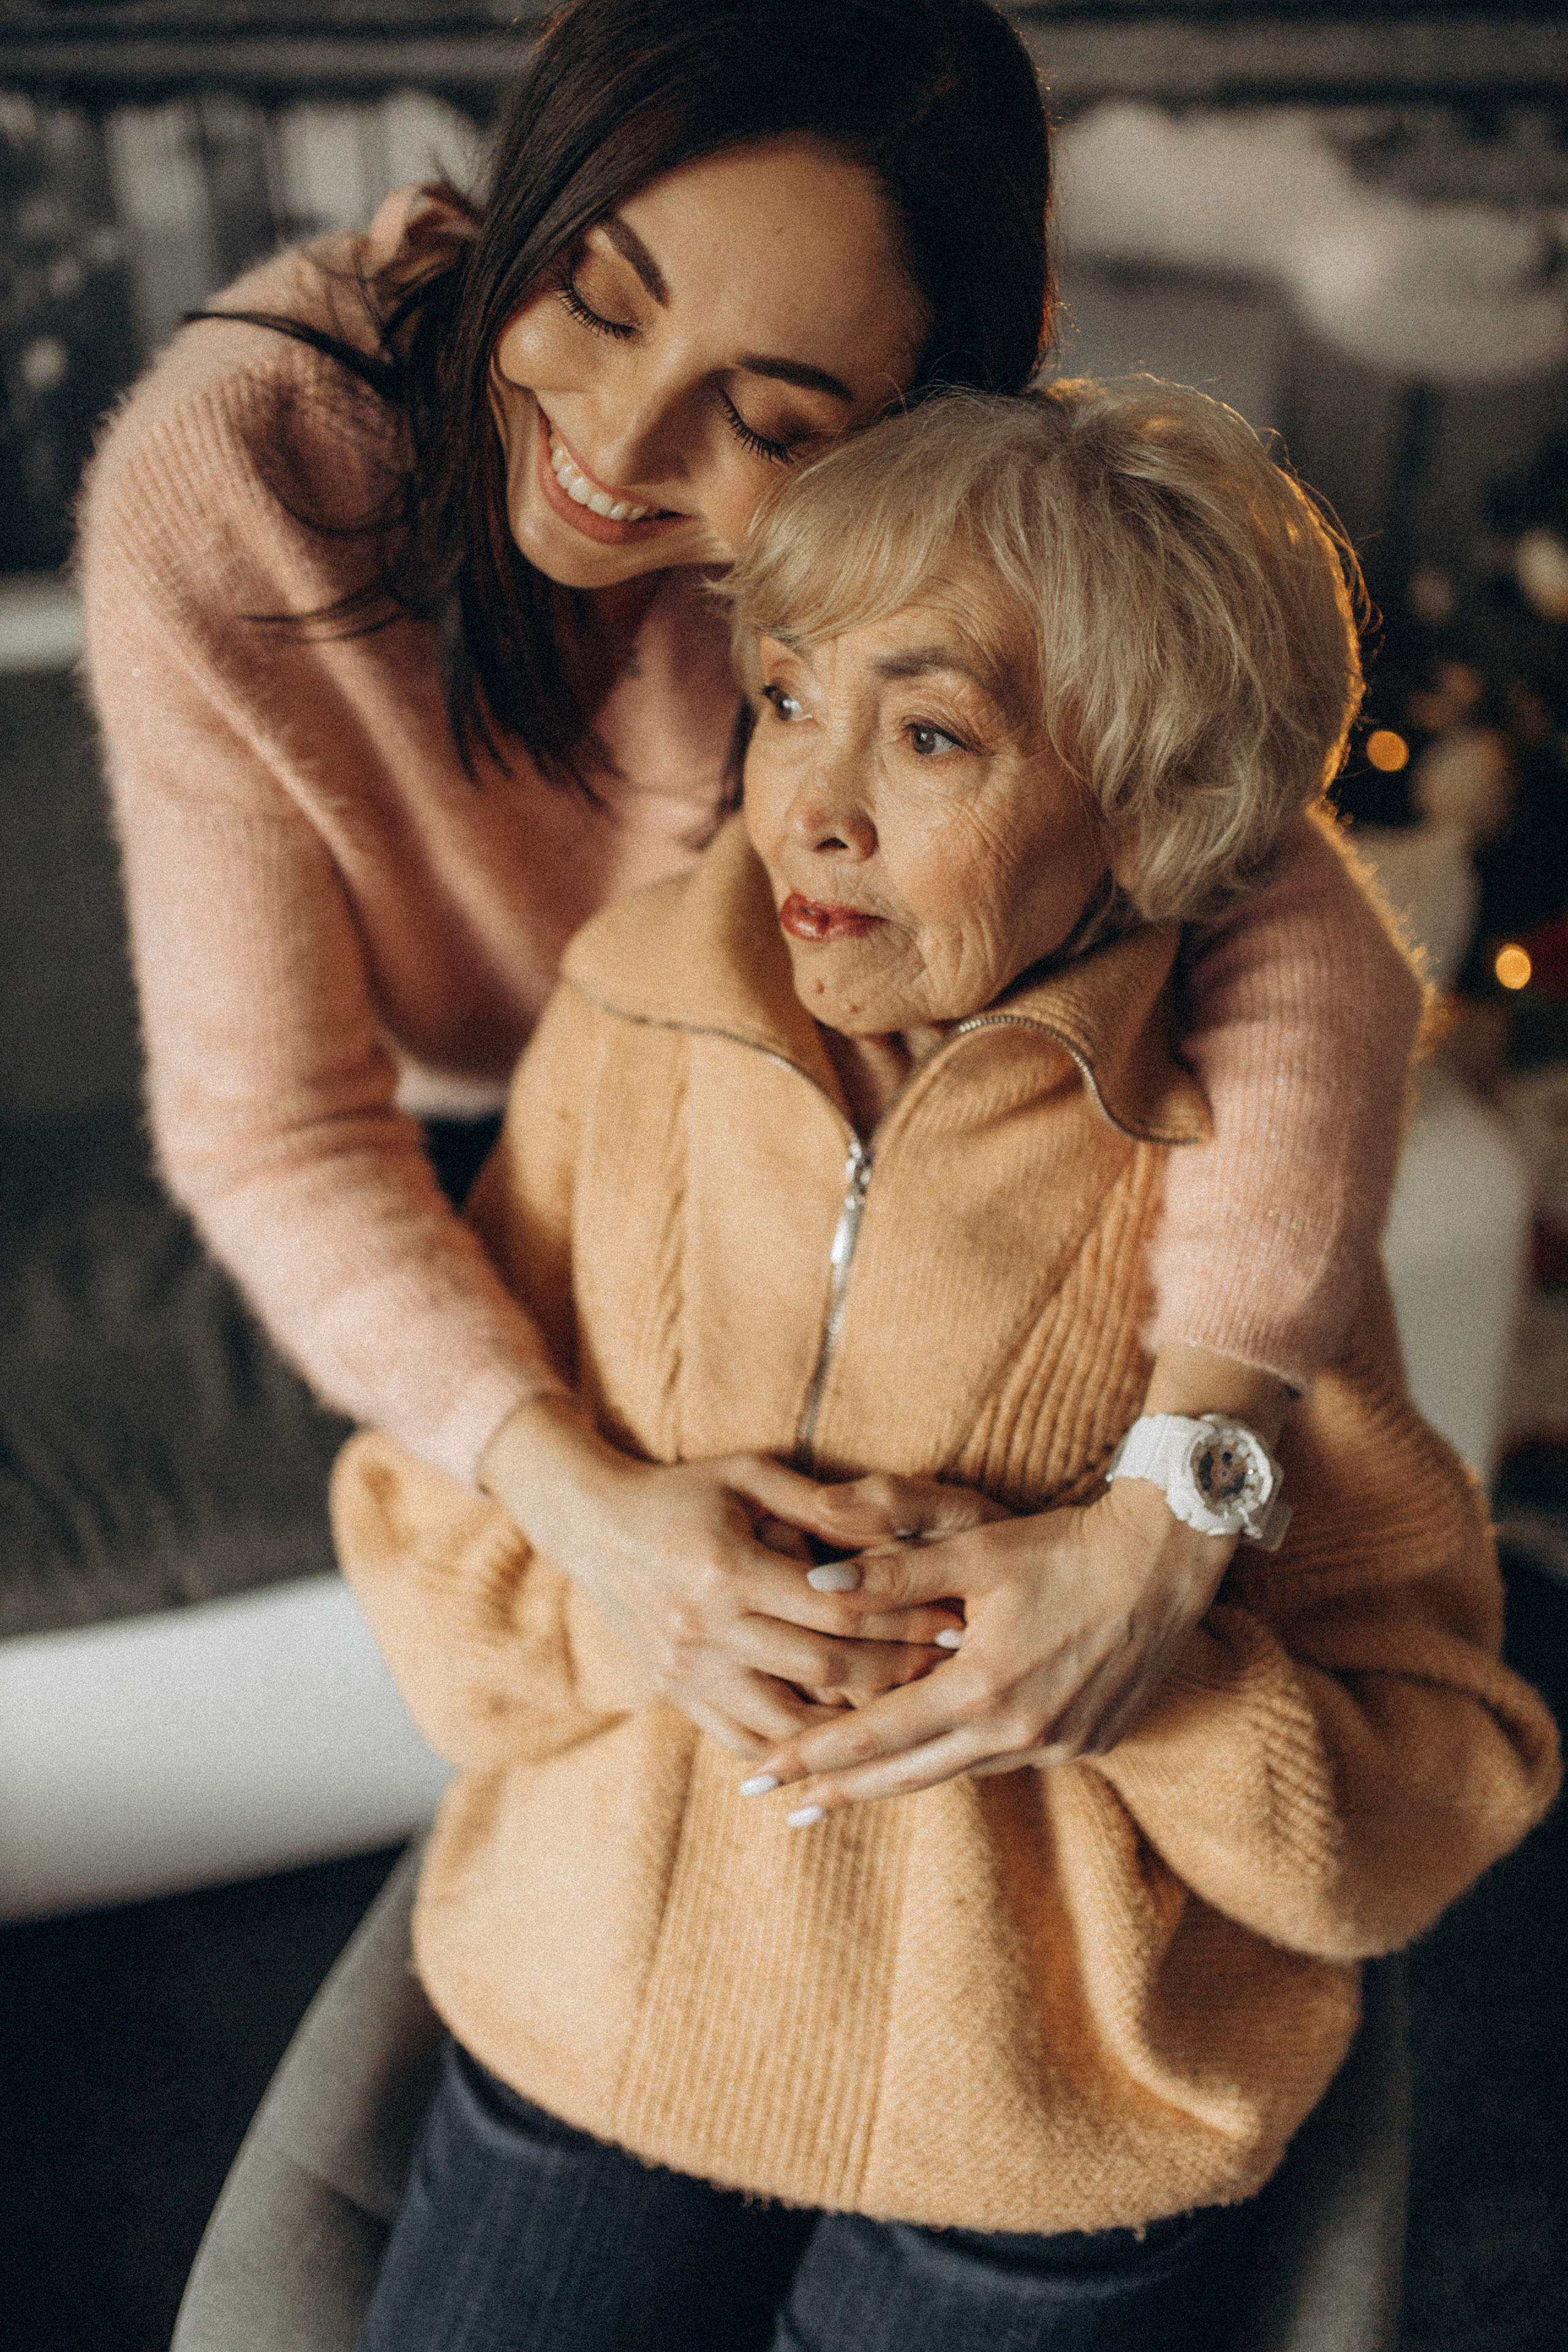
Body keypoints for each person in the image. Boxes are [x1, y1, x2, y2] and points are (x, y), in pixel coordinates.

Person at [331, 380, 1559, 2352]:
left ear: (1152, 818)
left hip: (1047, 2144)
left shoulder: (1246, 1185)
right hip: (584, 2025)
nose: (813, 802)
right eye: (792, 697)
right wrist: (619, 1608)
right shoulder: (625, 1028)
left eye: (931, 735)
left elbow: (1437, 1783)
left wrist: (1155, 1682)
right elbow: (413, 1521)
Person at [79, 0, 1423, 1776]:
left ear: (924, 421)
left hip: (772, 1106)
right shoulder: (229, 475)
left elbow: (1269, 888)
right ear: (531, 190)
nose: (622, 448)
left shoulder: (924, 518)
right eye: (600, 299)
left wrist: (1180, 1497)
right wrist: (588, 1504)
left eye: (773, 420)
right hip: (460, 1157)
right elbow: (279, 1133)